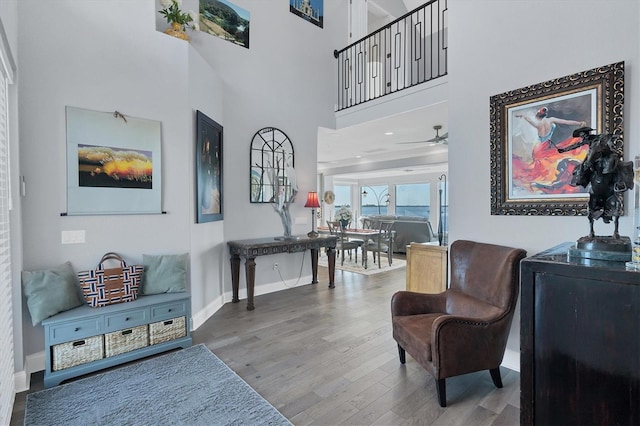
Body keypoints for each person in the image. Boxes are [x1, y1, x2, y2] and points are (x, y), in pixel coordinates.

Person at [512, 107, 588, 193]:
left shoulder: (538, 124)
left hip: (539, 147)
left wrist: (523, 116)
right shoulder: (551, 120)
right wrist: (579, 123)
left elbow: (529, 120)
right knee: (546, 163)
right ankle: (546, 182)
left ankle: (545, 182)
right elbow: (565, 122)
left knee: (543, 165)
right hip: (545, 145)